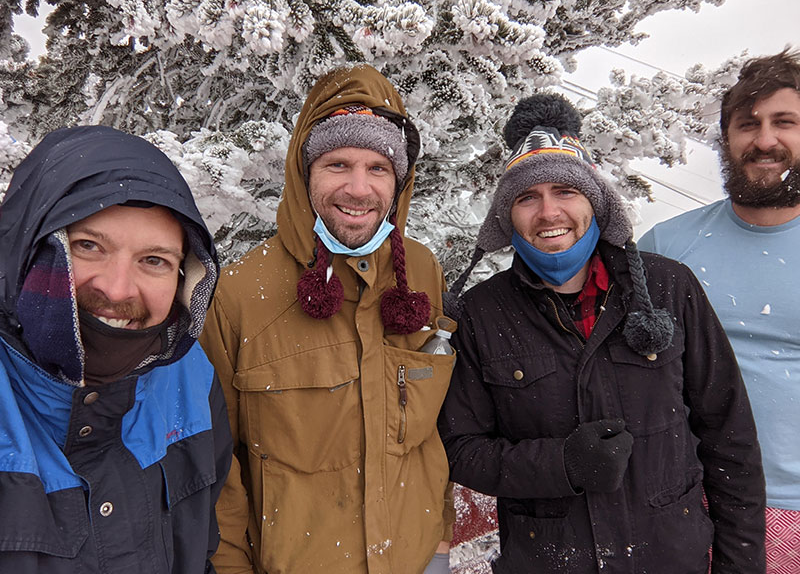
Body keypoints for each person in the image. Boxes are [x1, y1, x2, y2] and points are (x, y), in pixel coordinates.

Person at [437, 93, 766, 573]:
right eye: (527, 197)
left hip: (672, 560)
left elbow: (729, 436)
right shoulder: (482, 314)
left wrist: (741, 565)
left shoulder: (668, 288)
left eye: (565, 192)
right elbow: (460, 448)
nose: (548, 213)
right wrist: (562, 465)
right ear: (507, 218)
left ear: (596, 201)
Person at [200, 64, 455, 574]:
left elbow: (436, 427)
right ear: (305, 171)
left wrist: (442, 539)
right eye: (338, 164)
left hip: (419, 556)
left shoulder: (422, 270)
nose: (359, 189)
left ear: (399, 180)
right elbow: (215, 468)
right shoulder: (236, 295)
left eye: (378, 168)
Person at [0, 125, 232, 573]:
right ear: (25, 250)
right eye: (88, 246)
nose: (117, 288)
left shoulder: (189, 378)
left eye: (154, 261)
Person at [639, 47, 800, 573]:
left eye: (785, 122)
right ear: (726, 139)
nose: (765, 139)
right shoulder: (667, 246)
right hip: (688, 503)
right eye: (747, 124)